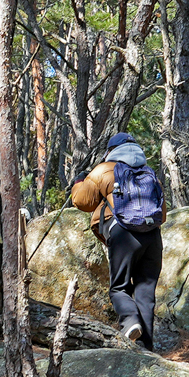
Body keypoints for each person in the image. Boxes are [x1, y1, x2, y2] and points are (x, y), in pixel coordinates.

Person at [69, 132, 166, 346]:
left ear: (110, 150)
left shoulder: (105, 169)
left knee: (119, 288)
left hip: (124, 234)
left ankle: (130, 320)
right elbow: (163, 213)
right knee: (145, 293)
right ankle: (146, 348)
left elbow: (82, 201)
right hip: (152, 236)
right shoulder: (149, 173)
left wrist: (79, 181)